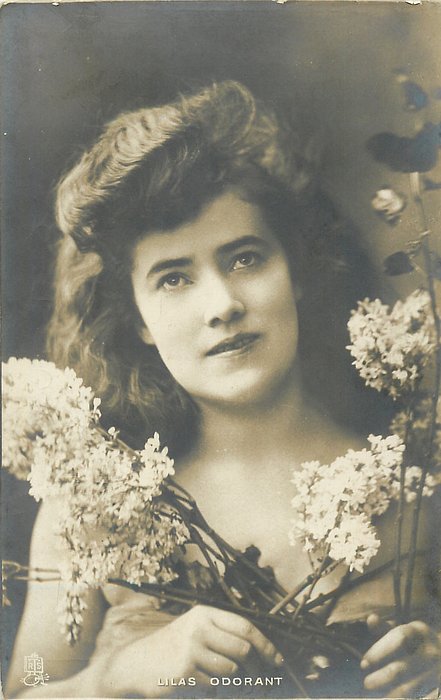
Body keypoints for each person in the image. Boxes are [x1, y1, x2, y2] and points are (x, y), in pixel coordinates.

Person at [6, 81, 440, 698]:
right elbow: (26, 687)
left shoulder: (414, 487)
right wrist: (114, 677)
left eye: (245, 259)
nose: (223, 304)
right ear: (138, 320)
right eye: (174, 278)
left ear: (294, 270)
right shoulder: (92, 512)